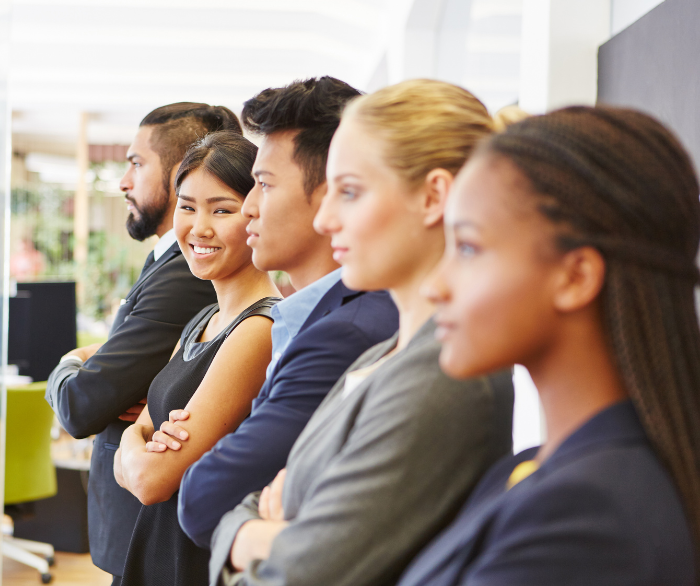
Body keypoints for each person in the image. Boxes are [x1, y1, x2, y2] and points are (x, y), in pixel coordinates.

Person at [209, 79, 515, 586]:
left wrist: (248, 536)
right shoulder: (382, 354)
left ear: (434, 197)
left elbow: (301, 572)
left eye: (349, 191)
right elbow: (245, 508)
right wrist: (257, 530)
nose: (327, 219)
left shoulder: (445, 374)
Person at [396, 106, 698, 586]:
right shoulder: (532, 470)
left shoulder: (589, 511)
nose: (436, 285)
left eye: (468, 248)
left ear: (574, 276)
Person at [147, 77, 398, 549]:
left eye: (262, 185)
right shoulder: (301, 317)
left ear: (331, 193)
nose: (250, 209)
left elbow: (202, 498)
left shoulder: (347, 329)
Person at [44, 103, 235, 581]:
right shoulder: (170, 267)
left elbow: (80, 405)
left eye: (135, 163)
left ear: (178, 175)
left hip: (147, 522)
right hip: (133, 517)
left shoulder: (185, 278)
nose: (124, 182)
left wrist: (69, 360)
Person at [114, 131, 283, 586]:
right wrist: (139, 441)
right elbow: (139, 444)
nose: (198, 227)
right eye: (187, 207)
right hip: (155, 546)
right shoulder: (203, 319)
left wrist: (137, 443)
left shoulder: (259, 329)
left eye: (221, 210)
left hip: (190, 556)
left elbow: (152, 482)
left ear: (255, 212)